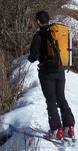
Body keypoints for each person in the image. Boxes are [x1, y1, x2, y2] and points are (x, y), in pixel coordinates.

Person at [28, 10, 75, 139]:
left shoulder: (39, 35)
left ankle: (56, 129)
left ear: (38, 21)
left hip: (46, 72)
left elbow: (34, 55)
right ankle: (69, 127)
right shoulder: (56, 32)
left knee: (51, 101)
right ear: (48, 20)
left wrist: (30, 58)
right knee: (61, 99)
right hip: (60, 70)